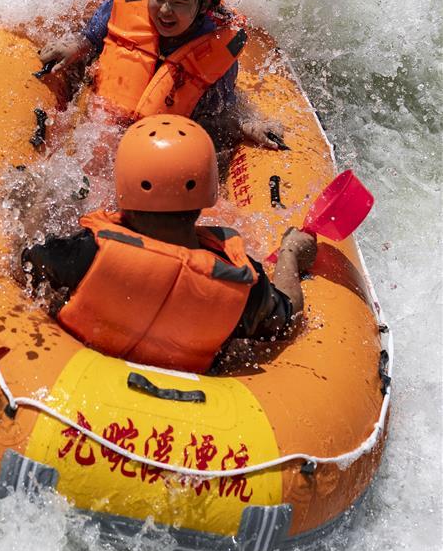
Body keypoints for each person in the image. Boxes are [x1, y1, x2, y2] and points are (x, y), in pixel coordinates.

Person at [20, 115, 316, 374]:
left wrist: (37, 197)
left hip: (80, 382)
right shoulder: (239, 282)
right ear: (207, 197)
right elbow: (288, 318)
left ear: (122, 186)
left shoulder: (86, 254)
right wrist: (289, 252)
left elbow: (25, 262)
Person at [38, 0, 284, 151]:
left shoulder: (217, 46)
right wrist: (74, 46)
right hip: (109, 108)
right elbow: (90, 38)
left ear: (205, 5)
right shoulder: (129, 2)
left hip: (159, 133)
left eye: (179, 2)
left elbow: (220, 112)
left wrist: (246, 125)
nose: (165, 10)